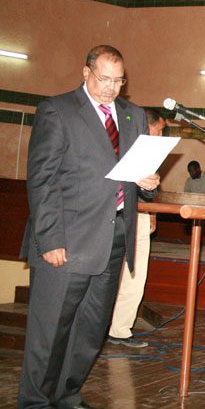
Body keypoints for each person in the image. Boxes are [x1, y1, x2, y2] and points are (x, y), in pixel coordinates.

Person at [18, 45, 160, 409]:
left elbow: (134, 176)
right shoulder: (58, 110)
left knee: (90, 330)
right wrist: (50, 239)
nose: (111, 87)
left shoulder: (132, 115)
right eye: (104, 79)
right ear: (86, 73)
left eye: (118, 80)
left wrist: (147, 183)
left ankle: (67, 394)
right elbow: (42, 179)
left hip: (114, 238)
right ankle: (35, 402)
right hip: (66, 240)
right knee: (51, 331)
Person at [107, 108, 166, 349]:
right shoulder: (121, 141)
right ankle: (98, 326)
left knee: (136, 275)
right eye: (159, 130)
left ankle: (120, 329)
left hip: (140, 215)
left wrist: (152, 213)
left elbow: (149, 187)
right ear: (146, 125)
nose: (161, 136)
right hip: (115, 216)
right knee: (110, 274)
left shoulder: (152, 151)